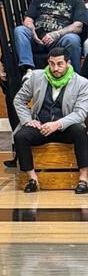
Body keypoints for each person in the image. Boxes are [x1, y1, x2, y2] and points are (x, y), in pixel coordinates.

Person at [13, 49, 88, 195]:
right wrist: (28, 120)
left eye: (60, 64)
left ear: (68, 63)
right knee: (20, 136)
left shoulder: (82, 83)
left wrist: (57, 124)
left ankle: (83, 179)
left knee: (80, 131)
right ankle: (32, 179)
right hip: (41, 126)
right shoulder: (36, 77)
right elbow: (19, 100)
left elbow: (80, 113)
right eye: (52, 64)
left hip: (64, 127)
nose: (55, 68)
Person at [11, 0, 85, 73]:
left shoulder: (76, 1)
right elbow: (28, 20)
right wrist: (32, 31)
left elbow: (78, 26)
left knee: (73, 39)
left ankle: (74, 75)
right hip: (37, 38)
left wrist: (56, 34)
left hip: (60, 39)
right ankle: (28, 69)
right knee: (20, 30)